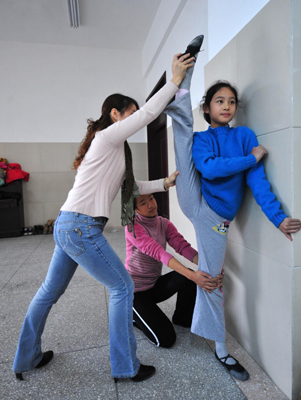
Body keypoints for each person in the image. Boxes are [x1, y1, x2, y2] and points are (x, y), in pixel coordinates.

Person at [12, 52, 195, 383]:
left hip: (69, 225)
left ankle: (27, 357)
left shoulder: (113, 150)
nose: (135, 120)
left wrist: (163, 183)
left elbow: (130, 187)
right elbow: (153, 112)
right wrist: (176, 79)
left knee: (49, 292)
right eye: (130, 115)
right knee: (123, 286)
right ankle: (125, 367)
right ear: (114, 115)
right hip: (81, 228)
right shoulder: (108, 137)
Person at [164, 34, 301, 381]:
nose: (226, 106)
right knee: (182, 133)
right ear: (208, 107)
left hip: (215, 217)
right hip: (195, 194)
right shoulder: (204, 138)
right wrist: (250, 158)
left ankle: (216, 346)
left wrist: (279, 217)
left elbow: (258, 184)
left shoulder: (246, 137)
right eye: (219, 101)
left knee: (211, 280)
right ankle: (185, 72)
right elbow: (208, 169)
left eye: (232, 101)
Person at [125, 192, 223, 348]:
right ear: (135, 209)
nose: (151, 204)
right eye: (143, 203)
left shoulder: (164, 224)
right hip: (134, 291)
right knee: (165, 340)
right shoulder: (132, 227)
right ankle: (133, 316)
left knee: (186, 278)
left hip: (153, 285)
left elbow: (182, 247)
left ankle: (182, 318)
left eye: (151, 198)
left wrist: (210, 266)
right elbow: (158, 253)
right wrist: (193, 275)